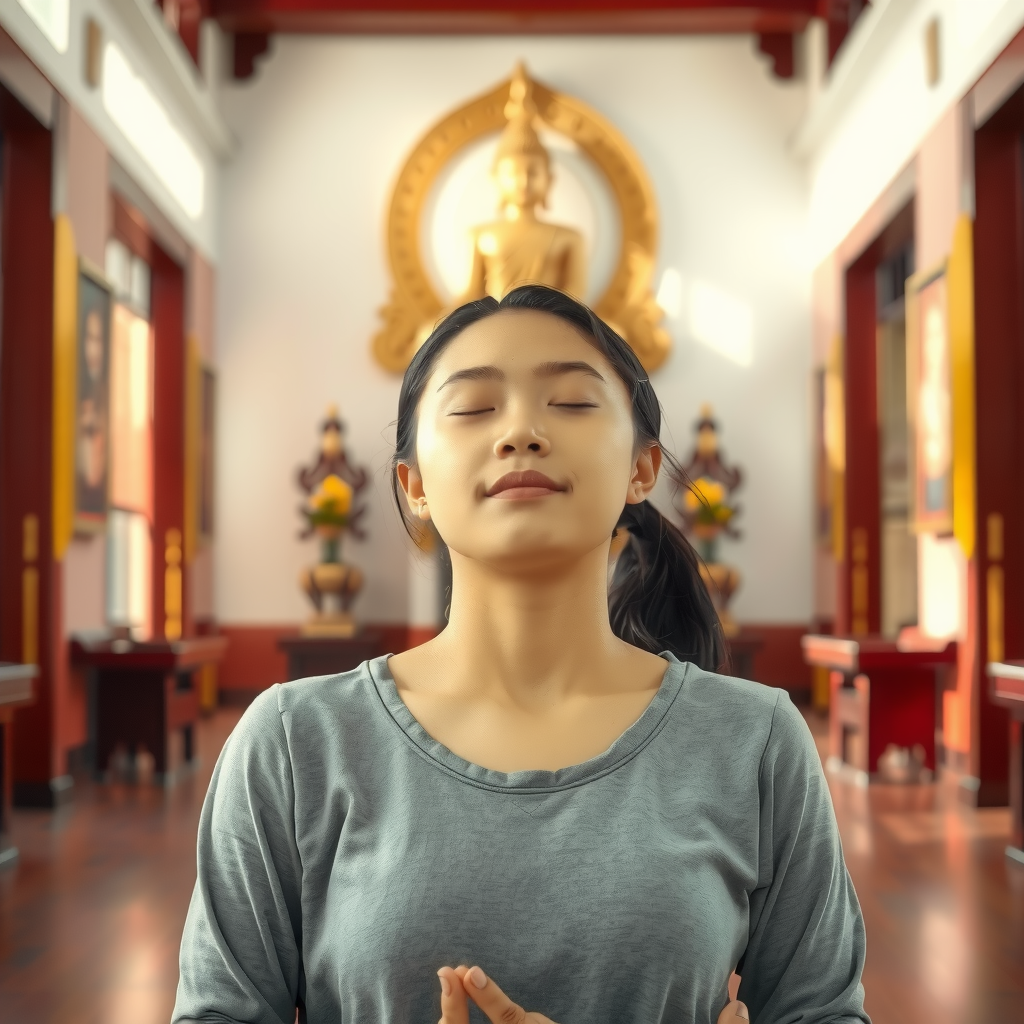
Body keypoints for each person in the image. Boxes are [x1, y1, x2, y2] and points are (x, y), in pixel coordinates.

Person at [172, 285, 869, 1024]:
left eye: (571, 402)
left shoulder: (754, 741)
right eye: (473, 408)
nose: (521, 432)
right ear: (413, 486)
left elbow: (821, 1010)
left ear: (642, 468)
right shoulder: (292, 742)